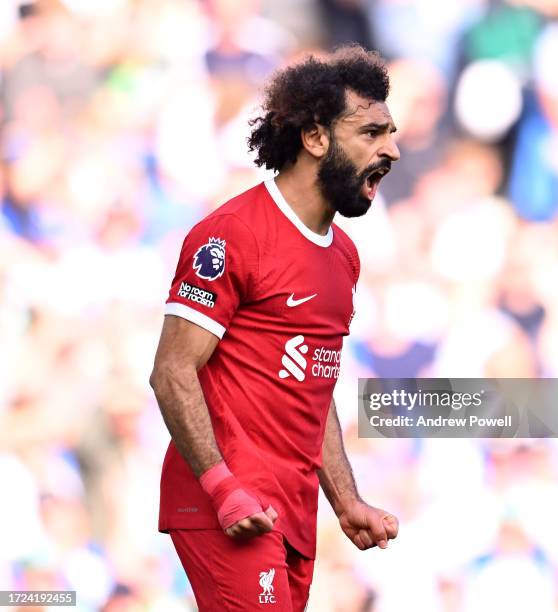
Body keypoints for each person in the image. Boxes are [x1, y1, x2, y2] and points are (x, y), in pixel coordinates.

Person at [150, 44, 400, 612]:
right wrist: (222, 487)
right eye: (371, 133)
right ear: (315, 138)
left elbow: (315, 388)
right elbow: (171, 371)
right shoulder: (232, 235)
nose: (392, 149)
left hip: (291, 509)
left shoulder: (343, 257)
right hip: (226, 504)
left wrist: (346, 500)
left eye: (391, 132)